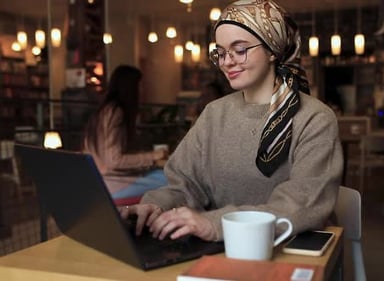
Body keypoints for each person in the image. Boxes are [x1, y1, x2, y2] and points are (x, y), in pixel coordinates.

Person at [120, 0, 343, 242]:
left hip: (291, 246)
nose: (227, 62)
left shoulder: (314, 118)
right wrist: (156, 206)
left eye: (240, 49)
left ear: (272, 50)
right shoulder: (214, 113)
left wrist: (214, 224)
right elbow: (184, 184)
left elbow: (301, 205)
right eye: (221, 52)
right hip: (222, 245)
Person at [82, 65, 169, 200]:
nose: (143, 90)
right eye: (140, 86)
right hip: (110, 185)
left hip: (99, 181)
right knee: (171, 180)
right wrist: (154, 156)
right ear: (131, 88)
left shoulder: (104, 111)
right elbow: (114, 161)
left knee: (162, 176)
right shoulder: (115, 112)